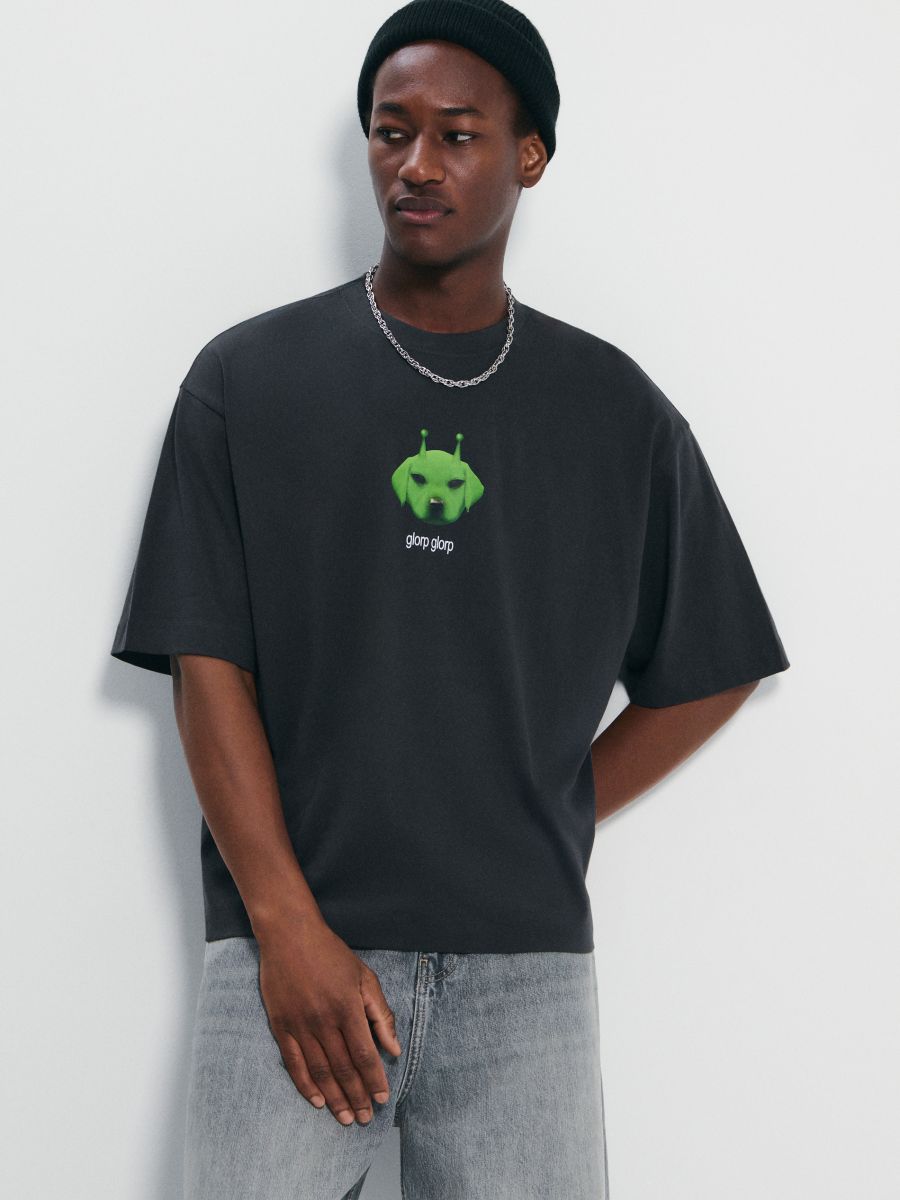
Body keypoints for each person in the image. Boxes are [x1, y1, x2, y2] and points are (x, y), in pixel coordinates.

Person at [109, 1, 791, 1196]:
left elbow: (712, 663)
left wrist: (551, 804)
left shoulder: (613, 411)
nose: (416, 164)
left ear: (529, 155)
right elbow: (205, 666)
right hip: (287, 962)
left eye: (457, 135)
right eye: (391, 131)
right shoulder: (247, 382)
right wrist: (287, 928)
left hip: (526, 982)